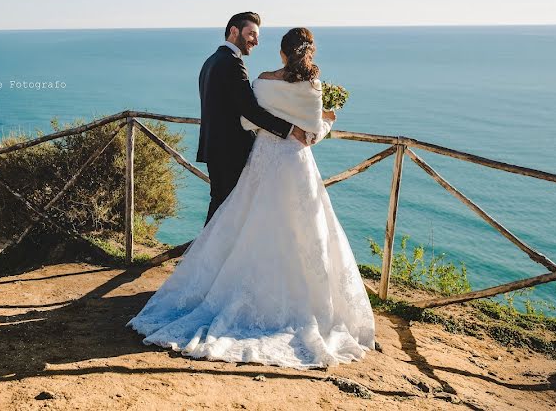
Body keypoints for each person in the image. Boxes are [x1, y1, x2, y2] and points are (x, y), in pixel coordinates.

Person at [128, 27, 376, 369]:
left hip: (263, 159)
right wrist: (329, 119)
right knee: (302, 231)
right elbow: (313, 133)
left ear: (282, 53)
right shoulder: (313, 88)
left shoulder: (261, 81)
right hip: (296, 163)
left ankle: (227, 289)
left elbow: (247, 119)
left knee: (248, 221)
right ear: (310, 53)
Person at [196, 12, 309, 225]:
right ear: (234, 31)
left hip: (214, 148)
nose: (256, 41)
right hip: (231, 150)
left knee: (220, 207)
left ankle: (207, 255)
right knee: (229, 210)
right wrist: (290, 129)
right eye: (251, 34)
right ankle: (211, 257)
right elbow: (250, 111)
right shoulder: (232, 63)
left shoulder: (210, 61)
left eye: (257, 37)